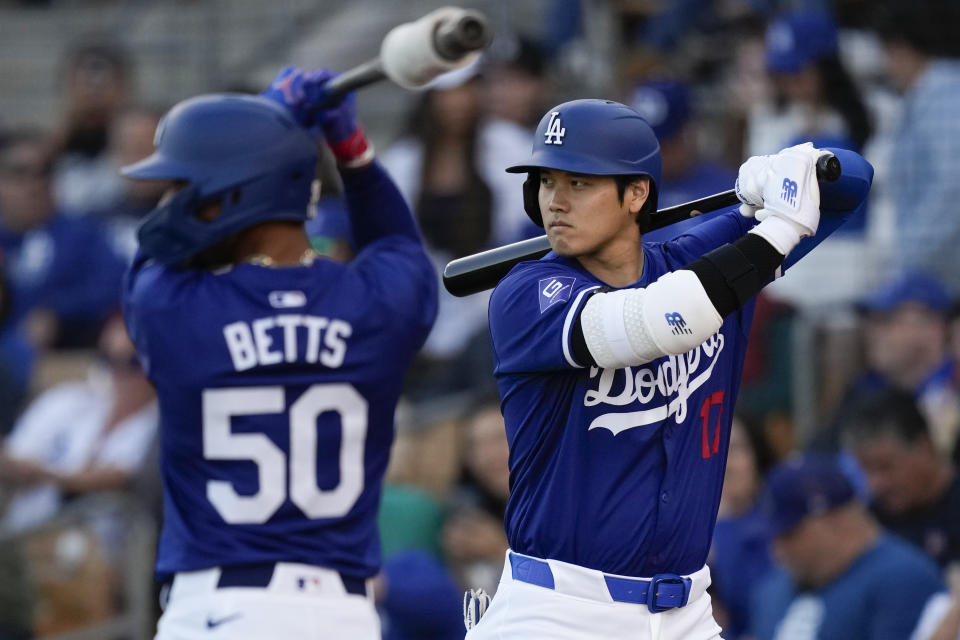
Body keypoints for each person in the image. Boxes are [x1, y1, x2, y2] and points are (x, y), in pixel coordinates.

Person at [466, 98, 871, 639]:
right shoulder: (527, 293)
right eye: (545, 181)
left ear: (636, 194)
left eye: (579, 183)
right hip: (559, 610)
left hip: (687, 612)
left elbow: (852, 182)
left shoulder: (697, 258)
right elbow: (662, 319)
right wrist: (774, 231)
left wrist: (783, 172)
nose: (554, 202)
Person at [120, 68, 437, 639]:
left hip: (219, 610)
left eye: (186, 188)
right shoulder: (373, 304)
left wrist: (264, 122)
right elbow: (397, 246)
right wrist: (353, 151)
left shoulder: (174, 308)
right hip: (344, 616)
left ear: (237, 192)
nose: (173, 202)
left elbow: (156, 246)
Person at [750, 453, 944, 640]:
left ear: (836, 521)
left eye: (789, 535)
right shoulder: (773, 589)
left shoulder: (903, 578)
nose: (777, 551)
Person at [871, 0, 960, 292]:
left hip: (939, 276)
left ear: (902, 48)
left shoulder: (946, 97)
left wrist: (908, 266)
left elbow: (952, 188)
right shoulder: (927, 98)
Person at [842, 388, 960, 569]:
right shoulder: (872, 522)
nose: (875, 484)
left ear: (923, 448)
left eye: (885, 467)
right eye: (865, 470)